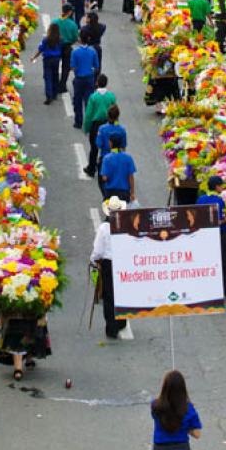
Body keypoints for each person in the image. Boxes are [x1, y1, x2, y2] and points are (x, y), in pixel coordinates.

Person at [90, 195, 128, 339]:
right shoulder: (125, 225)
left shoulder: (104, 228)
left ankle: (112, 327)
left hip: (109, 264)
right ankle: (122, 321)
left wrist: (93, 260)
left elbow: (98, 249)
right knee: (122, 293)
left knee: (109, 295)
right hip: (123, 263)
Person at [197, 176, 226, 296]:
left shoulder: (201, 199)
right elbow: (219, 221)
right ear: (217, 186)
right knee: (224, 261)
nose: (222, 187)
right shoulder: (219, 201)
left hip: (204, 235)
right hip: (219, 234)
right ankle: (224, 288)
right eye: (221, 185)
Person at [151, 370, 202, 449]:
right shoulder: (188, 408)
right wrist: (186, 427)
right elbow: (197, 434)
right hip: (181, 447)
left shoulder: (155, 405)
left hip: (160, 447)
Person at [83, 74, 117, 177]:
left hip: (96, 125)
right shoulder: (111, 96)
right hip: (108, 123)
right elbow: (115, 111)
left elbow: (89, 114)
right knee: (108, 147)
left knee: (94, 148)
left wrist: (86, 127)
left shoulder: (93, 97)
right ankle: (108, 169)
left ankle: (91, 168)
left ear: (97, 83)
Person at [70, 29, 99, 128]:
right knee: (89, 101)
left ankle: (78, 122)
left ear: (79, 39)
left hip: (79, 79)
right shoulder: (92, 51)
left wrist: (77, 72)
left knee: (77, 100)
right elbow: (96, 66)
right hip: (89, 78)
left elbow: (73, 67)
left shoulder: (75, 52)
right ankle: (89, 122)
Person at [31, 24, 62, 104]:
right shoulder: (60, 39)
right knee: (55, 76)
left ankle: (49, 95)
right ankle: (55, 93)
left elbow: (40, 49)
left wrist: (34, 57)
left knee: (47, 77)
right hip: (56, 59)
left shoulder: (46, 39)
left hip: (47, 59)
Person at [51, 3, 79, 94]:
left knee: (54, 65)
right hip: (67, 46)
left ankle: (54, 84)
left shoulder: (55, 22)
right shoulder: (72, 24)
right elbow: (75, 38)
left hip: (56, 46)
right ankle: (62, 85)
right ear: (70, 12)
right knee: (66, 67)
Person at [100, 134, 136, 202]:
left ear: (111, 143)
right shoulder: (128, 158)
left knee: (110, 211)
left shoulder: (107, 158)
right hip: (124, 192)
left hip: (110, 192)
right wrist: (132, 193)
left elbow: (104, 177)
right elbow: (131, 177)